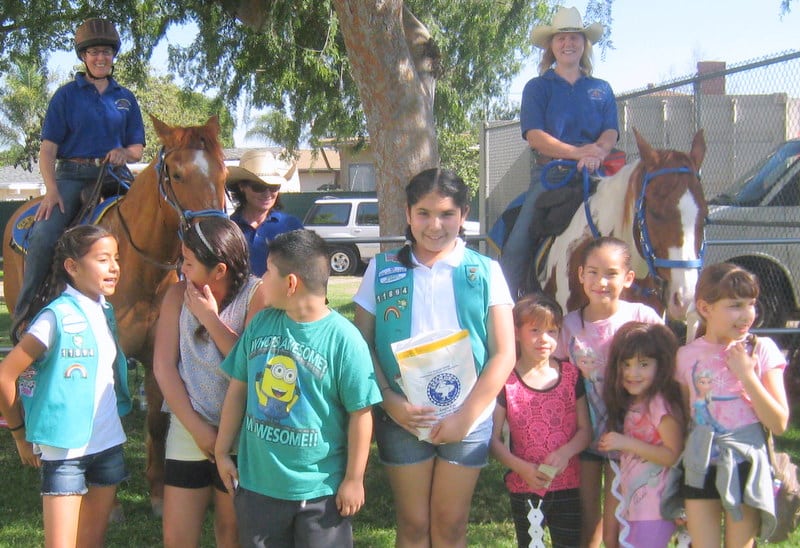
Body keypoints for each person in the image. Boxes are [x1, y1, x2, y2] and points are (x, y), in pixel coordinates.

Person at [353, 168, 516, 546]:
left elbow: (504, 353)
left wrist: (466, 417)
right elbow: (362, 345)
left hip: (467, 416)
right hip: (403, 417)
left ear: (463, 214)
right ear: (407, 214)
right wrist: (390, 402)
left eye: (446, 214)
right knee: (412, 525)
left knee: (450, 525)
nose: (435, 225)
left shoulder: (485, 270)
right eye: (424, 213)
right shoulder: (382, 269)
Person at [214, 229, 381, 547]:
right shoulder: (261, 325)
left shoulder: (344, 341)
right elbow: (238, 389)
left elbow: (361, 413)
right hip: (258, 488)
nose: (261, 279)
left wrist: (354, 479)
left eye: (268, 271)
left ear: (291, 284)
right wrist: (222, 451)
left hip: (320, 493)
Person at [0, 225, 131, 547]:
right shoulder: (55, 317)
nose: (114, 267)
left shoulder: (105, 310)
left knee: (92, 542)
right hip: (64, 452)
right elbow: (5, 374)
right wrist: (19, 435)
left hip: (108, 445)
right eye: (103, 259)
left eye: (116, 258)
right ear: (72, 267)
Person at [16, 18, 145, 328]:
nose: (100, 58)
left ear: (113, 56)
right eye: (93, 52)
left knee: (160, 214)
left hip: (116, 175)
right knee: (45, 234)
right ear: (83, 57)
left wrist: (122, 153)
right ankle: (26, 313)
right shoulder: (66, 96)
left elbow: (137, 149)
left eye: (106, 52)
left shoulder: (125, 98)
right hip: (72, 175)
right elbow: (47, 150)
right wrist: (52, 190)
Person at [153, 217, 269, 548]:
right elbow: (163, 367)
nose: (182, 270)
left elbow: (249, 366)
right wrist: (197, 429)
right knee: (176, 536)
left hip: (240, 434)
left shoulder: (256, 295)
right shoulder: (177, 295)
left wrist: (209, 317)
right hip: (190, 427)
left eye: (188, 263)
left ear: (219, 270)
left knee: (230, 531)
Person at [664, 263, 789, 547]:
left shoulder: (761, 349)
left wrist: (746, 374)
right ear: (705, 308)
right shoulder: (685, 356)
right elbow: (686, 417)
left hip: (746, 463)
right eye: (735, 305)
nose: (746, 315)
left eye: (751, 304)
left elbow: (779, 423)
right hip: (700, 463)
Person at [501, 6, 619, 299]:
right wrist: (579, 152)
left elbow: (610, 132)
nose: (568, 43)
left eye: (575, 38)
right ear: (551, 47)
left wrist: (598, 152)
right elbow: (535, 136)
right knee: (516, 244)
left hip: (596, 172)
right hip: (550, 174)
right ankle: (506, 306)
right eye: (561, 38)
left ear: (584, 44)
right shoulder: (538, 88)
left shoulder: (601, 89)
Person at [554, 236, 662, 548]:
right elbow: (561, 381)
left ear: (628, 278)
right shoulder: (570, 325)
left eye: (612, 273)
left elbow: (668, 370)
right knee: (589, 516)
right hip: (586, 436)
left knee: (620, 516)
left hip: (631, 440)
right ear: (580, 275)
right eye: (593, 272)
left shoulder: (642, 318)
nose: (602, 281)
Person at [490, 294, 591, 548]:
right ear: (516, 332)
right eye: (535, 330)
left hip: (568, 484)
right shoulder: (507, 381)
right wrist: (520, 467)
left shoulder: (570, 375)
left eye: (552, 331)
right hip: (525, 487)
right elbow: (491, 440)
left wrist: (566, 452)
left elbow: (585, 431)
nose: (544, 339)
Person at [598, 321, 685, 548]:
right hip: (635, 506)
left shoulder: (659, 404)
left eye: (643, 364)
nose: (632, 373)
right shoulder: (635, 402)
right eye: (626, 364)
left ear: (662, 365)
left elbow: (672, 455)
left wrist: (625, 442)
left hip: (655, 507)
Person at [227, 149, 304, 277]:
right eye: (258, 187)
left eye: (274, 187)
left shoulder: (292, 226)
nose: (267, 194)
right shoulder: (228, 230)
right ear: (242, 187)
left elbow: (307, 271)